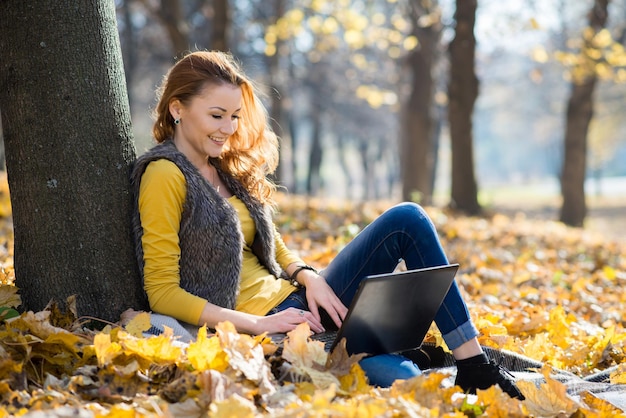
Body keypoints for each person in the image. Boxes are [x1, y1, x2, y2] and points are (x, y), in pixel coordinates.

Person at [130, 50, 524, 399]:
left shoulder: (223, 169)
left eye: (234, 117)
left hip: (304, 303)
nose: (229, 129)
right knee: (404, 377)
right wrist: (260, 324)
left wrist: (308, 276)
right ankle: (414, 355)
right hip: (270, 332)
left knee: (408, 219)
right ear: (177, 109)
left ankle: (473, 364)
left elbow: (273, 246)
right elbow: (162, 293)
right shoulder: (165, 174)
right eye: (217, 116)